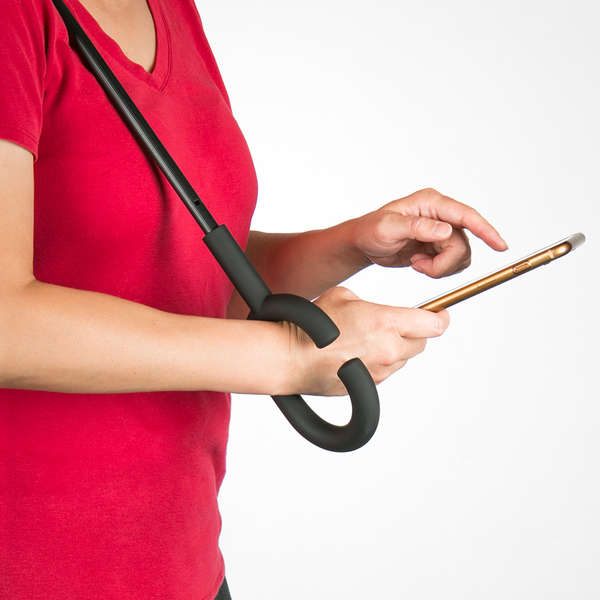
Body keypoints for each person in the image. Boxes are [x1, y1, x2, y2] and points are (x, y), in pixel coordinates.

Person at [0, 0, 508, 599]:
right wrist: (287, 358)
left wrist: (351, 243)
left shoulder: (172, 11)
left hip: (182, 568)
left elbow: (191, 283)